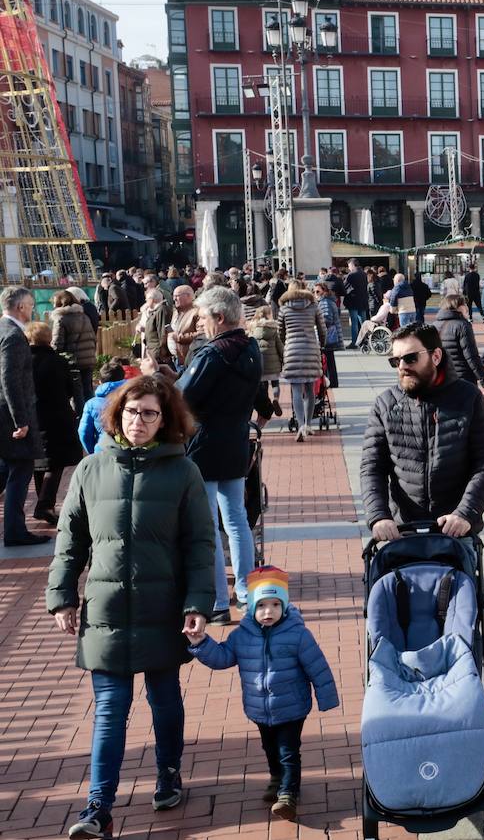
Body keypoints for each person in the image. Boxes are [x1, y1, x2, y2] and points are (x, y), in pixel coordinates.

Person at [47, 376, 215, 839]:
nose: (137, 420)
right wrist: (61, 595)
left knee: (164, 700)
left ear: (165, 421)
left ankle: (169, 773)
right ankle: (98, 808)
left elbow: (201, 544)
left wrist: (199, 601)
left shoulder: (184, 473)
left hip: (163, 607)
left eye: (149, 413)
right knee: (109, 710)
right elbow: (69, 543)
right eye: (131, 411)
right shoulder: (90, 471)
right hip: (106, 609)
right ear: (116, 415)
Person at [186, 565, 339, 822]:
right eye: (261, 605)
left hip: (292, 707)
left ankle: (288, 793)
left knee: (289, 751)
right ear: (252, 608)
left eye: (275, 605)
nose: (268, 611)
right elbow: (222, 657)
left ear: (285, 606)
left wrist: (327, 698)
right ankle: (277, 778)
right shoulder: (241, 636)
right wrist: (200, 643)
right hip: (259, 709)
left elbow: (318, 667)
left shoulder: (298, 634)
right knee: (270, 748)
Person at [147, 286, 263, 622]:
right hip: (235, 442)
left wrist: (166, 381)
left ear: (219, 317)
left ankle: (216, 601)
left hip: (205, 445)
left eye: (202, 318)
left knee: (207, 526)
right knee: (237, 521)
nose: (199, 324)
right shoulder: (250, 347)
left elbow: (184, 396)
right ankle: (244, 591)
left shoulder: (213, 354)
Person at [360, 322, 484, 542]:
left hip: (454, 530)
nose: (402, 366)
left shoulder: (468, 398)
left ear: (436, 356)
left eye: (410, 358)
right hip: (403, 530)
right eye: (395, 361)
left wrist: (465, 513)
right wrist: (379, 516)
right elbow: (372, 468)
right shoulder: (385, 404)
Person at [0, 286, 47, 546]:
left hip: (5, 413)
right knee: (20, 470)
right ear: (20, 306)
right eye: (30, 304)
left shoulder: (3, 330)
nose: (33, 309)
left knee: (7, 468)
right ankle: (15, 531)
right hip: (12, 415)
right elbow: (10, 379)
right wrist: (21, 421)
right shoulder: (14, 336)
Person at [26, 321, 82, 527]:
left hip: (33, 415)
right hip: (57, 416)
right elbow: (70, 389)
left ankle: (44, 503)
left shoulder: (23, 361)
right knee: (56, 462)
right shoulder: (57, 361)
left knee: (39, 461)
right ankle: (45, 504)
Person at [277, 283, 325, 443]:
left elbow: (280, 332)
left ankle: (300, 426)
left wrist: (285, 346)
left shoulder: (284, 309)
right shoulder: (313, 306)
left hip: (292, 350)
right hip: (310, 348)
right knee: (310, 389)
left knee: (296, 390)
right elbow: (322, 328)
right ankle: (308, 424)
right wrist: (322, 344)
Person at [434, 293, 484, 395]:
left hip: (441, 378)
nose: (467, 308)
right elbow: (472, 357)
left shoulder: (435, 325)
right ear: (458, 307)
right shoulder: (462, 326)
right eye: (465, 304)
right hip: (463, 379)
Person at [52, 289, 98, 402]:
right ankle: (90, 415)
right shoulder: (84, 316)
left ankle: (79, 416)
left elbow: (57, 344)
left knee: (75, 393)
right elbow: (92, 337)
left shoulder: (61, 319)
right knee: (87, 389)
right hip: (88, 359)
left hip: (73, 361)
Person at [79, 360, 127, 455]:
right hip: (129, 452)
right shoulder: (133, 397)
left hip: (103, 451)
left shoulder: (91, 404)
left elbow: (84, 432)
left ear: (100, 381)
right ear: (123, 378)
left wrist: (93, 452)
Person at [249, 304, 285, 428]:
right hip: (273, 362)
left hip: (260, 363)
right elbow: (280, 346)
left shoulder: (253, 330)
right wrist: (283, 358)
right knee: (275, 383)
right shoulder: (273, 329)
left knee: (262, 389)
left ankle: (264, 408)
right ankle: (276, 398)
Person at [313, 281, 343, 413]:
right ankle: (333, 381)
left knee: (326, 359)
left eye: (318, 292)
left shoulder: (325, 302)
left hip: (326, 335)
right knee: (330, 359)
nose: (315, 294)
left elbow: (326, 319)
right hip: (330, 335)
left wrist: (316, 322)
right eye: (314, 292)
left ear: (324, 291)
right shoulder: (329, 300)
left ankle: (330, 381)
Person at [168, 285, 201, 369]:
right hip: (177, 359)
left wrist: (180, 337)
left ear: (189, 296)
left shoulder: (197, 312)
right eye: (173, 296)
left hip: (189, 360)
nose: (174, 299)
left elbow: (202, 334)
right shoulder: (176, 311)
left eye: (177, 296)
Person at [343, 259, 370, 348]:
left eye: (349, 265)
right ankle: (366, 341)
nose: (348, 267)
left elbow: (344, 286)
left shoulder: (351, 275)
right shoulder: (364, 274)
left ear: (353, 265)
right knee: (364, 322)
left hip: (353, 301)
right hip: (363, 301)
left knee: (354, 323)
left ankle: (354, 342)